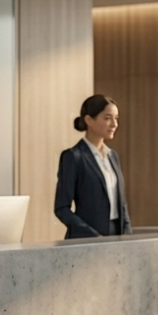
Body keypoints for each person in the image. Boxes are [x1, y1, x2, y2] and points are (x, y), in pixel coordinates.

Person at [54, 94, 132, 238]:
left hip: (117, 237)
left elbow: (121, 202)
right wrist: (92, 236)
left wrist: (127, 231)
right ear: (89, 120)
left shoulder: (113, 156)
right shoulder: (73, 157)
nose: (114, 124)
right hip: (86, 240)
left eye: (116, 118)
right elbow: (61, 208)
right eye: (108, 118)